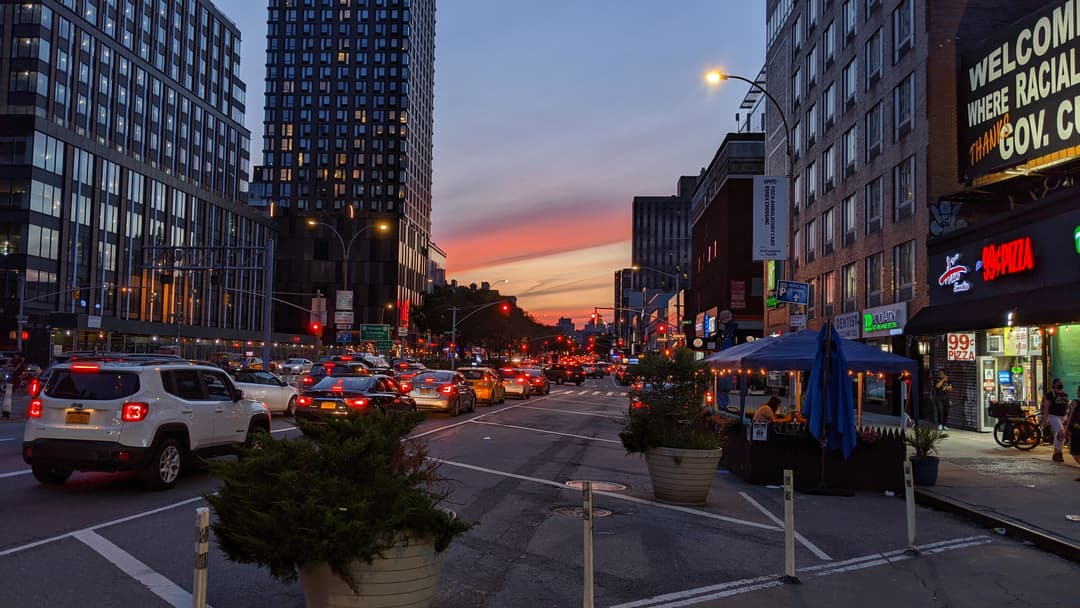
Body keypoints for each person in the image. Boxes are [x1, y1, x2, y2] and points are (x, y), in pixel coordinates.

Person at [1042, 377, 1070, 463]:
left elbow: (1066, 406)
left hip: (1063, 416)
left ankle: (1056, 453)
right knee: (1061, 432)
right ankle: (1058, 452)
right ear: (1054, 384)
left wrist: (1068, 417)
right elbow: (1046, 408)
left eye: (1061, 382)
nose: (1060, 384)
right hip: (1053, 415)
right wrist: (1045, 419)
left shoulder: (1065, 394)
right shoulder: (1050, 394)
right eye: (1058, 383)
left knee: (1061, 434)